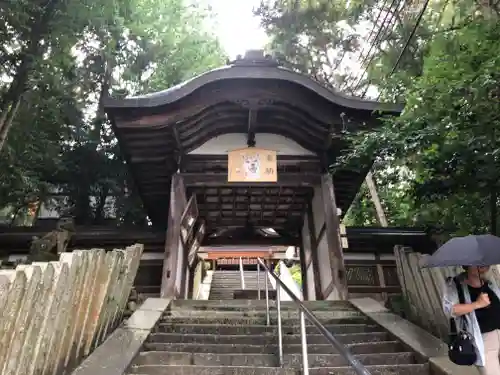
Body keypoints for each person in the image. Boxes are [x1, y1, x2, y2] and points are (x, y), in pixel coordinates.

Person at [443, 266, 500, 375]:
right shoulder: (456, 284)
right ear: (466, 264)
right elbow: (451, 310)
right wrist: (477, 304)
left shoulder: (491, 282)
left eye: (484, 262)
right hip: (484, 340)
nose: (483, 265)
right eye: (477, 263)